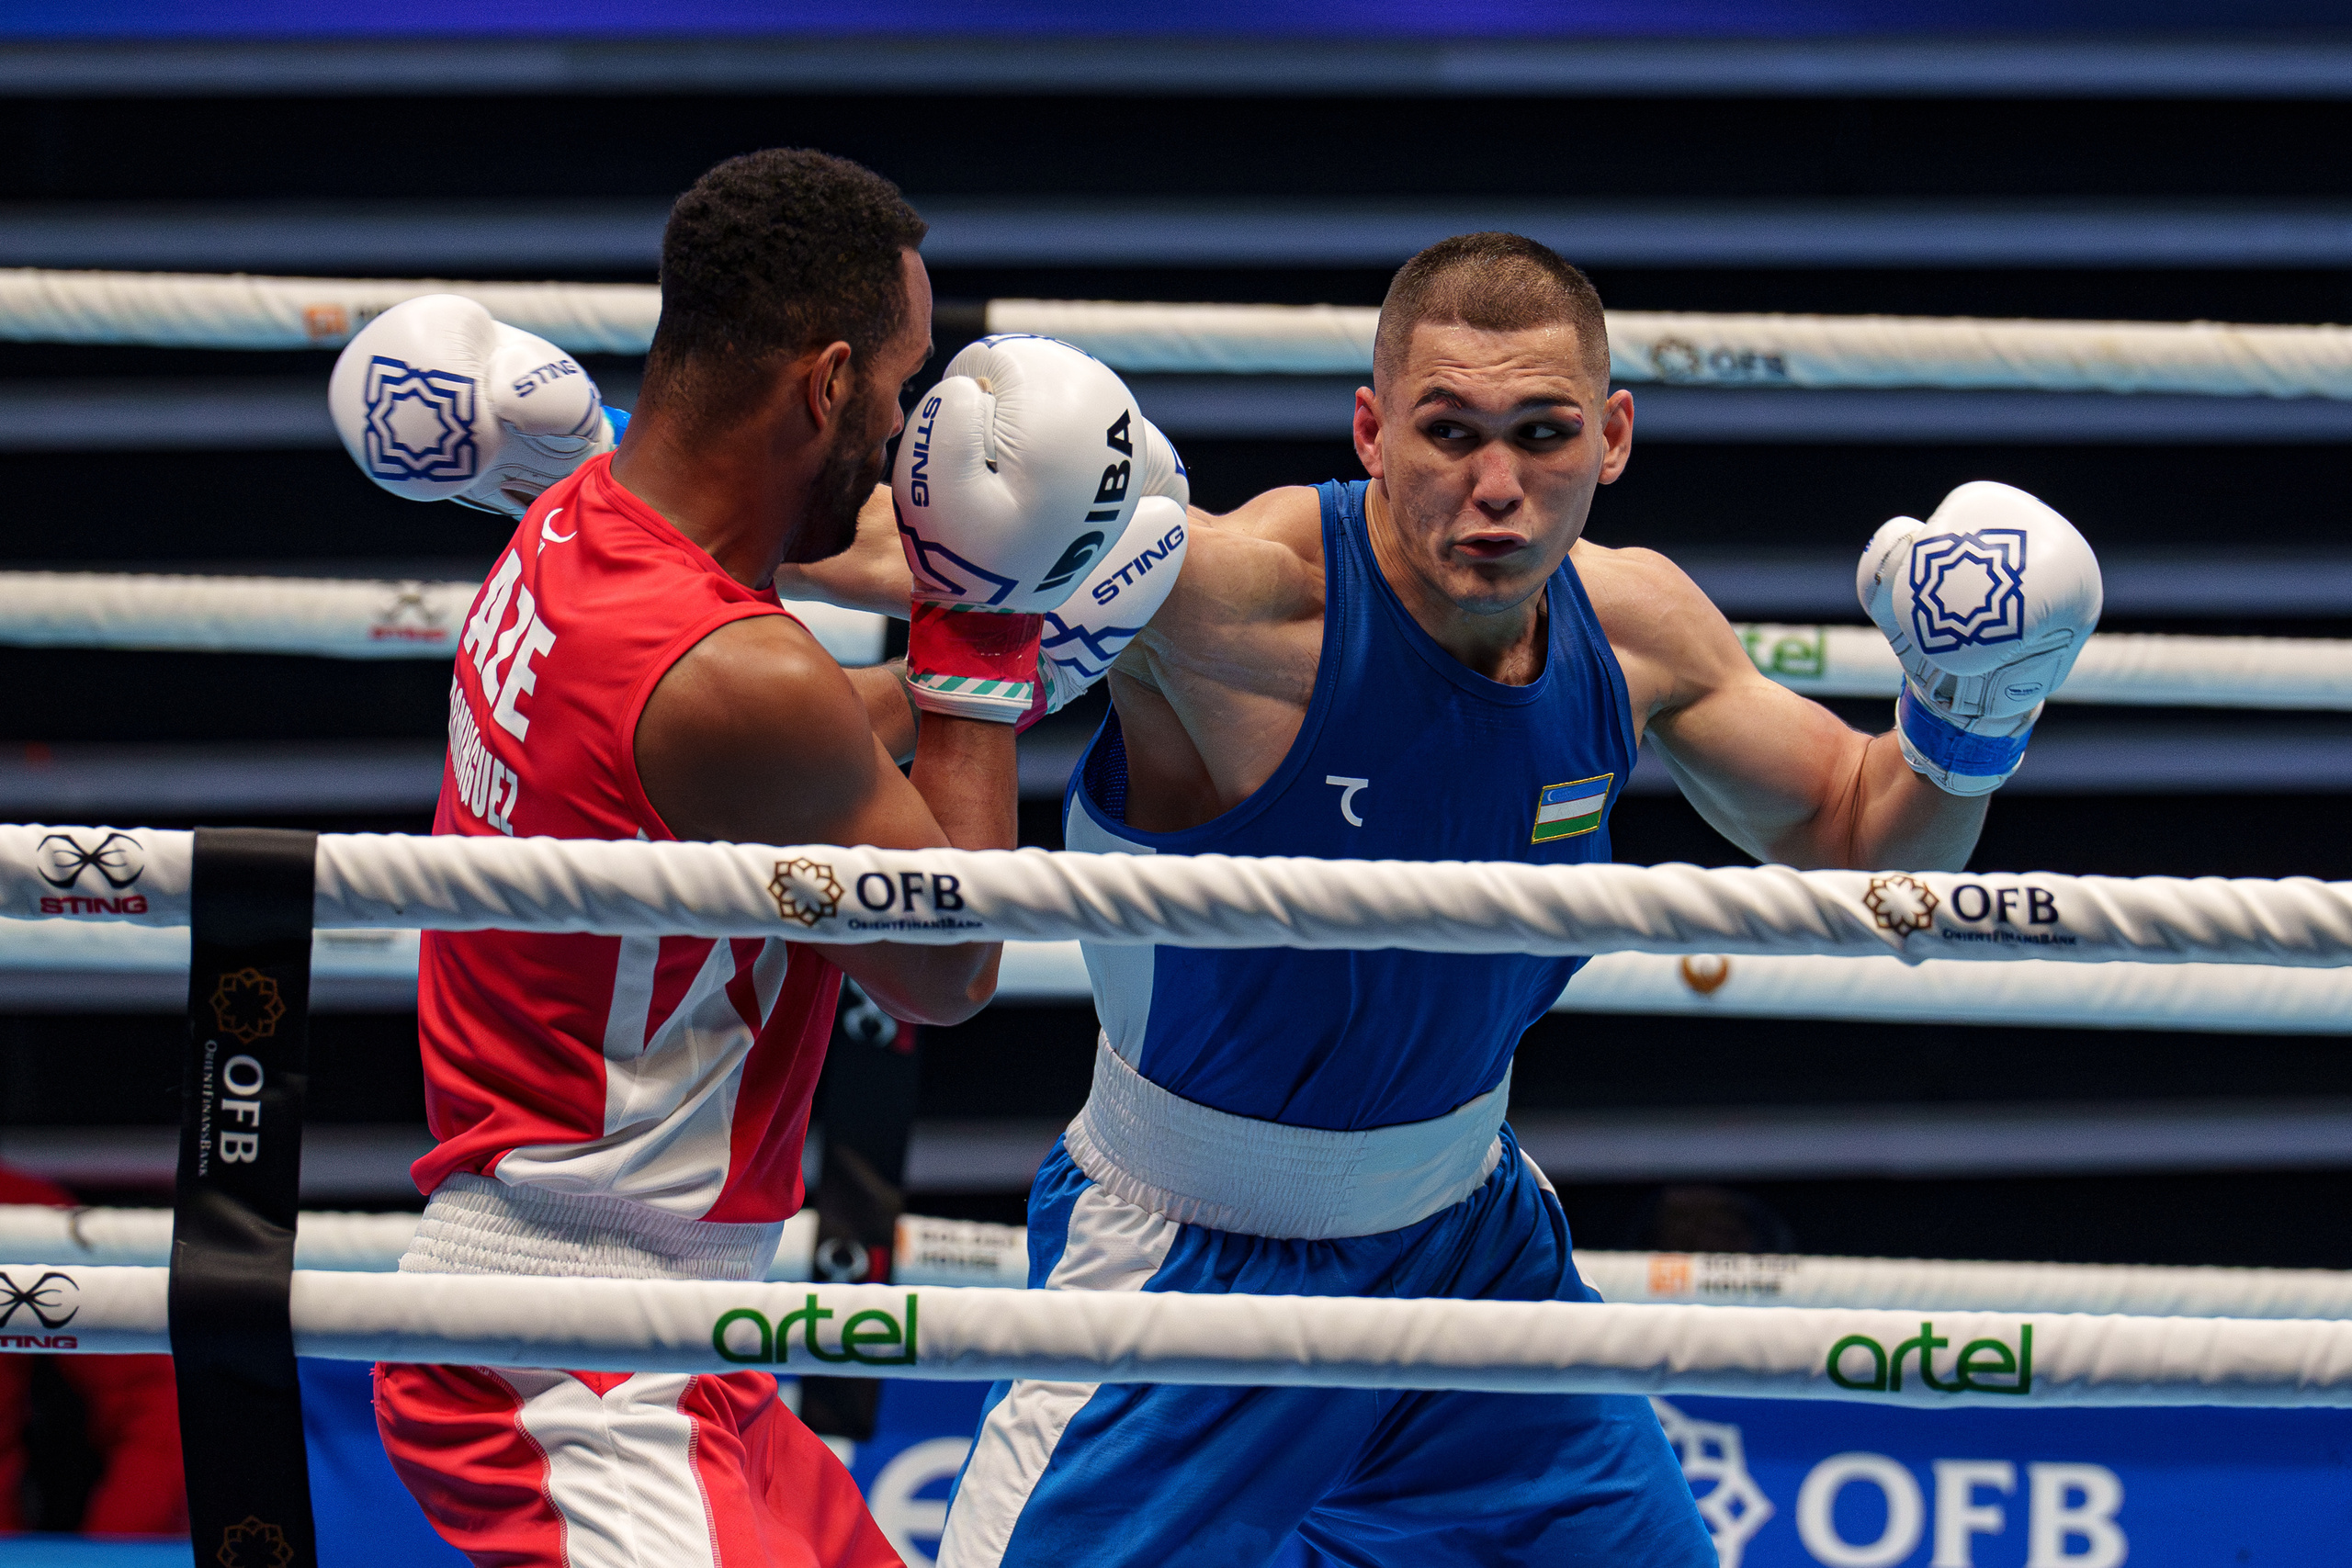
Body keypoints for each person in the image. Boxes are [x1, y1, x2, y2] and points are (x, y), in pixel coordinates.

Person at [939, 232, 2102, 1565]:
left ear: (1611, 438)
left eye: (1541, 434)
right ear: (1372, 432)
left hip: (1466, 1254)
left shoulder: (1640, 625)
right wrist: (948, 556)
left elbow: (1857, 836)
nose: (1495, 488)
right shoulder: (1247, 600)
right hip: (1193, 1266)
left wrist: (1968, 718)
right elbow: (895, 564)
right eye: (1450, 434)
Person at [335, 148, 1157, 1568]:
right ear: (828, 385)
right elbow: (949, 967)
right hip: (579, 1360)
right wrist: (985, 641)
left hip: (651, 1324)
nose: (909, 439)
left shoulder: (572, 535)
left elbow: (778, 754)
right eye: (901, 390)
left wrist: (1012, 666)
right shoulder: (732, 674)